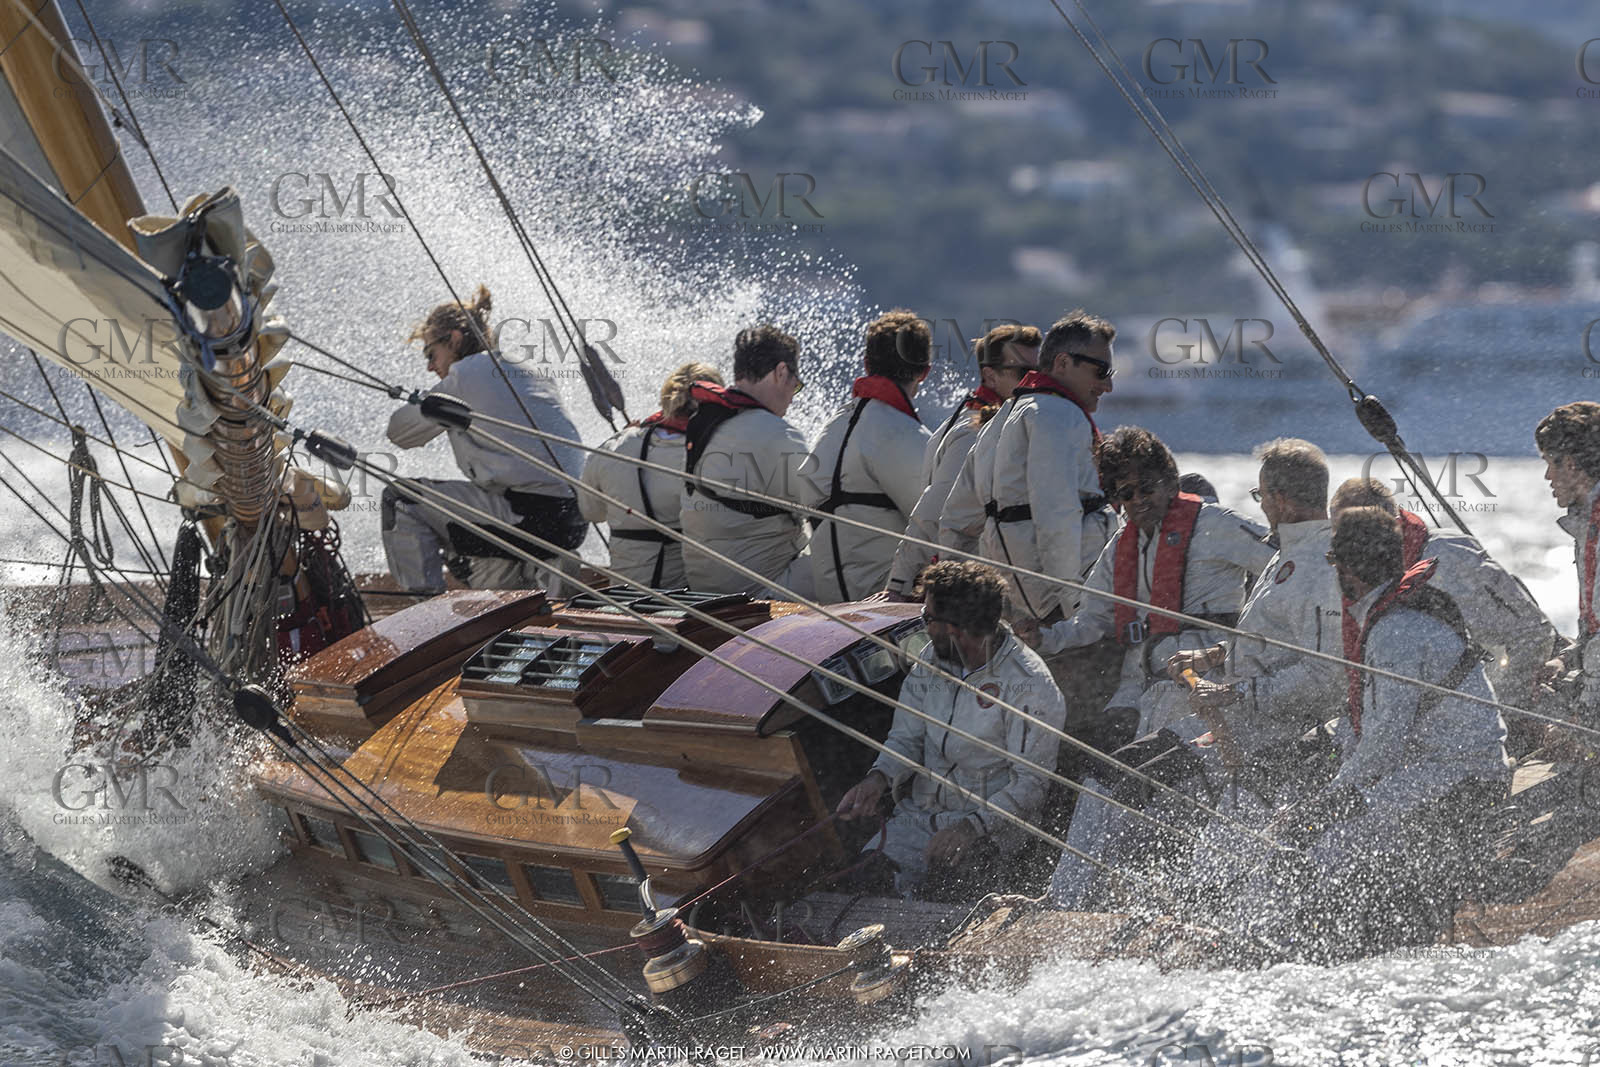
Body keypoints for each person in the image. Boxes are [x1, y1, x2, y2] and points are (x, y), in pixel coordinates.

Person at [1044, 438, 1344, 908]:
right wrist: (1213, 658)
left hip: (1264, 729)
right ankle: (1085, 905)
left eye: (1261, 495)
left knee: (1120, 785)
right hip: (1220, 710)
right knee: (1117, 784)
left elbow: (1326, 677)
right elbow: (1267, 640)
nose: (1259, 505)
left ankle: (1075, 907)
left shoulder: (1317, 565)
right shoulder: (1287, 558)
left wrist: (1235, 693)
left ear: (1280, 499)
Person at [1232, 506, 1512, 958]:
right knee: (1324, 822)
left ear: (1345, 570)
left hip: (1462, 777)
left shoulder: (1395, 631)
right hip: (1434, 768)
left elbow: (1384, 744)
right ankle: (1306, 935)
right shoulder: (1393, 616)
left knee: (1319, 837)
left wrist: (1328, 801)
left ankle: (1291, 947)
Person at [835, 561, 1066, 897]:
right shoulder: (932, 659)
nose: (922, 626)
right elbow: (907, 737)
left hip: (987, 833)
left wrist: (971, 827)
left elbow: (1031, 784)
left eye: (927, 619)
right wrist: (879, 778)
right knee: (862, 887)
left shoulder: (1030, 685)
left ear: (956, 628)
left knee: (942, 899)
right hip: (916, 820)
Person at [1033, 427, 1274, 741]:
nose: (1138, 500)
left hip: (1200, 676)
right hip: (1136, 682)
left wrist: (1261, 630)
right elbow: (1092, 620)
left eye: (1146, 488)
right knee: (1097, 768)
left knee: (1146, 766)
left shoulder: (1216, 523)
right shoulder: (1121, 545)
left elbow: (1284, 564)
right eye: (1126, 494)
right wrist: (1042, 638)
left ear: (1171, 483)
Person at [384, 284, 586, 593]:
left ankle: (427, 622)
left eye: (431, 353)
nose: (429, 366)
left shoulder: (466, 374)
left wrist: (425, 402)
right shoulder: (526, 370)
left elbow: (399, 433)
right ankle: (519, 601)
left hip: (529, 517)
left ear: (453, 339)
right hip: (571, 520)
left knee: (400, 499)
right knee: (490, 566)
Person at [1329, 477, 1558, 731]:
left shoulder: (1449, 557)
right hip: (1406, 720)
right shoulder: (1355, 579)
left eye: (1351, 534)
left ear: (1386, 527)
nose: (1340, 547)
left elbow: (1532, 634)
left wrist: (1502, 712)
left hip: (1474, 722)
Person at [938, 309, 1119, 625]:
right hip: (1065, 607)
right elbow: (1057, 517)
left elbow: (957, 520)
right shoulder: (1058, 416)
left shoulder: (1001, 418)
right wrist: (1078, 612)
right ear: (1062, 363)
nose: (1107, 386)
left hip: (1018, 604)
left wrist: (954, 602)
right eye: (1101, 371)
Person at [884, 324, 1042, 600]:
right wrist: (897, 585)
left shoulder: (969, 421)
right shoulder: (976, 433)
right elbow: (932, 511)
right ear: (990, 376)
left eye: (1041, 372)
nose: (1036, 381)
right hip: (969, 590)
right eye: (1023, 373)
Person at [799, 311, 932, 601]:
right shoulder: (904, 434)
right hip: (887, 615)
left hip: (831, 611)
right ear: (924, 372)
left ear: (866, 364)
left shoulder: (833, 426)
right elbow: (943, 526)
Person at [679, 325, 814, 599]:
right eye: (795, 385)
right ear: (781, 372)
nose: (793, 396)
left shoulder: (706, 421)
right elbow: (825, 507)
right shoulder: (778, 435)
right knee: (856, 547)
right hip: (757, 590)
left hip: (705, 585)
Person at [577, 362, 723, 589]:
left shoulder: (613, 447)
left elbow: (591, 512)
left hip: (624, 599)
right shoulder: (712, 457)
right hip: (689, 600)